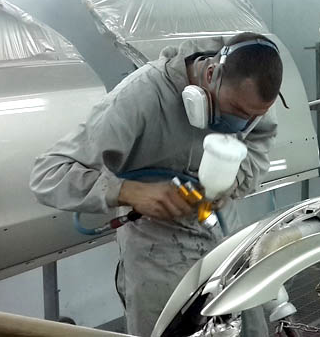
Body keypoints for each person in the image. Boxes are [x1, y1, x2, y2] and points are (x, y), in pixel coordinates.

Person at [30, 32, 283, 336]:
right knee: (169, 329)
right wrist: (128, 191)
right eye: (237, 113)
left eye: (252, 117)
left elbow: (259, 140)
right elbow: (48, 174)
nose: (242, 124)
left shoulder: (249, 96)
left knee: (250, 327)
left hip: (222, 232)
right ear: (211, 74)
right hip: (157, 249)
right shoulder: (140, 98)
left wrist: (232, 181)